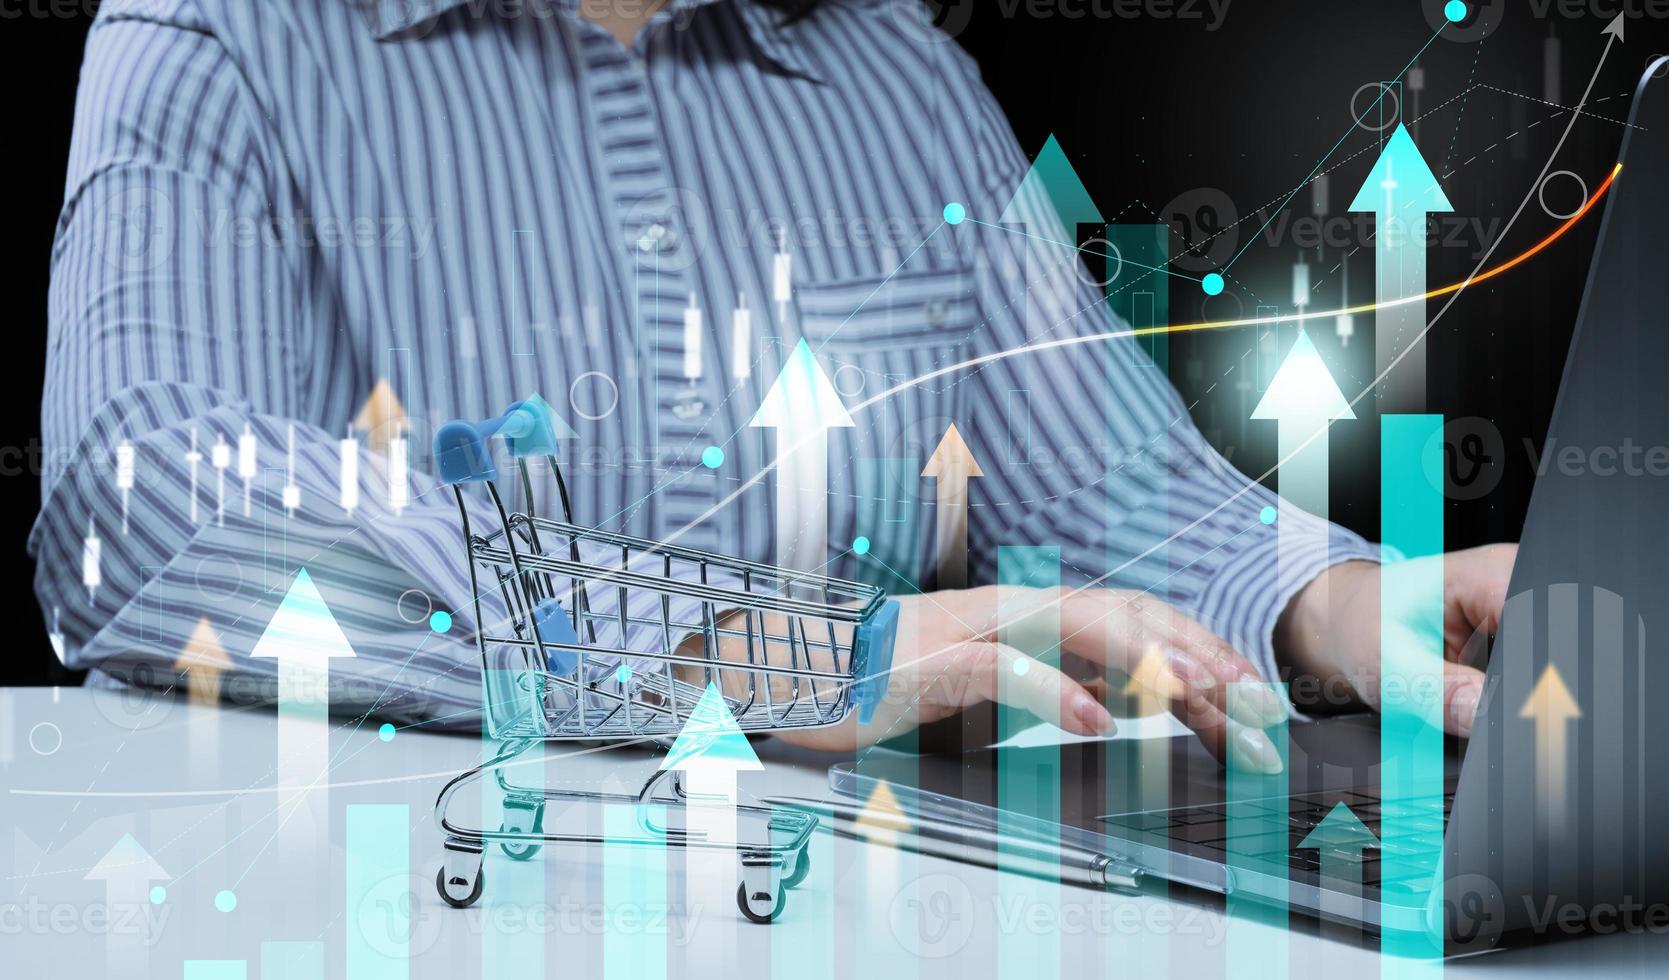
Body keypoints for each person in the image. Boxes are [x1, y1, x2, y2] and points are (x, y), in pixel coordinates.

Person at [35, 0, 1513, 772]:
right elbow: (150, 504)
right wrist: (774, 649)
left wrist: (1319, 601)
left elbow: (1093, 494)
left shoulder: (894, 73)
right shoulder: (217, 31)